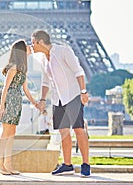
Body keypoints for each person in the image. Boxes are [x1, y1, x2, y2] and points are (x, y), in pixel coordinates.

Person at [30, 30, 90, 177]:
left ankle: (86, 164)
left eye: (33, 43)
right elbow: (45, 82)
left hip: (73, 96)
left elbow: (78, 71)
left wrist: (83, 91)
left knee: (78, 130)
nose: (32, 46)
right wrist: (43, 99)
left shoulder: (64, 51)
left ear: (41, 42)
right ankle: (67, 165)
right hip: (58, 100)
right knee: (63, 132)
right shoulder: (43, 60)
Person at [0, 39, 37, 175]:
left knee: (11, 133)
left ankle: (8, 163)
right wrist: (2, 106)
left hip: (16, 101)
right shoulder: (14, 67)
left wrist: (35, 102)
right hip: (10, 99)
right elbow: (5, 87)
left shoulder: (22, 67)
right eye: (27, 46)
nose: (30, 47)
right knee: (6, 133)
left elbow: (26, 89)